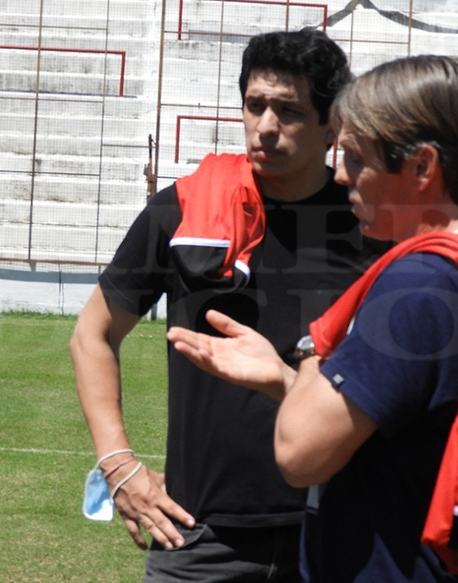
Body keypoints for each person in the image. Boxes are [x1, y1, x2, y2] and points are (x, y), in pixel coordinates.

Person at [169, 55, 458, 583]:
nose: (342, 172)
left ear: (421, 167)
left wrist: (309, 350)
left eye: (355, 156)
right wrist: (282, 379)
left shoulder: (418, 284)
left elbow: (298, 454)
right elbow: (387, 424)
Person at [70, 29, 381, 581]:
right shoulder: (183, 210)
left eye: (289, 111)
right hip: (199, 535)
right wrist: (118, 464)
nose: (265, 126)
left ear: (332, 124)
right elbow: (92, 334)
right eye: (255, 105)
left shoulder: (371, 228)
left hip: (337, 531)